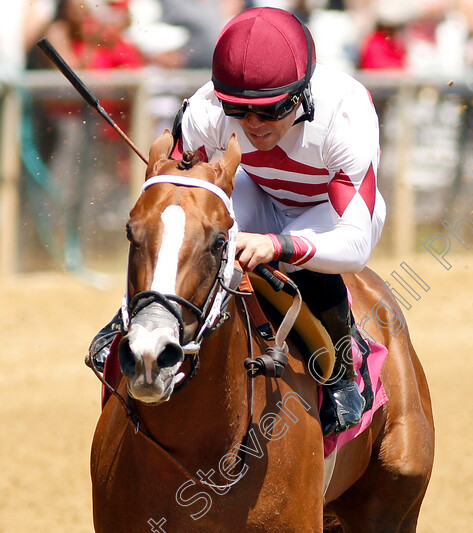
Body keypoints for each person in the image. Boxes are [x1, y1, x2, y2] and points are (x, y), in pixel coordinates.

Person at [89, 7, 385, 437]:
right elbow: (171, 201)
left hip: (328, 209)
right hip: (259, 191)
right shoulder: (205, 108)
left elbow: (356, 245)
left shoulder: (345, 115)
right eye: (238, 109)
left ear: (301, 93)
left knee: (302, 260)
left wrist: (278, 246)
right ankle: (136, 319)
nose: (252, 123)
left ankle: (341, 367)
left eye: (270, 111)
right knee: (191, 231)